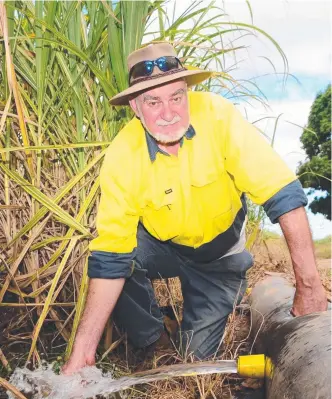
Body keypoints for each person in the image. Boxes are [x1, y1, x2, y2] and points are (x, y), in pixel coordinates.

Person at [63, 43, 327, 374]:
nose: (168, 112)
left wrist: (309, 285)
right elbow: (111, 256)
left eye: (176, 97)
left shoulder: (219, 117)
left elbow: (282, 194)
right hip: (163, 248)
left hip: (219, 259)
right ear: (134, 106)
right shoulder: (122, 154)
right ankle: (153, 340)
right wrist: (82, 352)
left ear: (188, 92)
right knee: (120, 259)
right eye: (153, 102)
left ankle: (190, 333)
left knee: (193, 365)